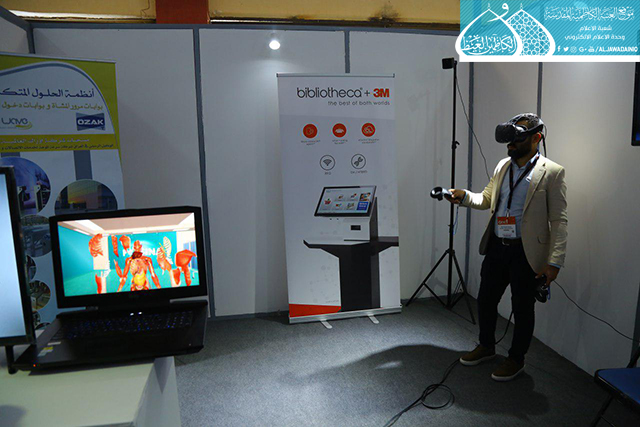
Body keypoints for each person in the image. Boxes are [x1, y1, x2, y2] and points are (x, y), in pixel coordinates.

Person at [445, 113, 567, 381]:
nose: (510, 145)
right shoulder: (503, 166)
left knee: (522, 308)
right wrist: (464, 196)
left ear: (536, 138)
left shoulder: (552, 172)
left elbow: (559, 220)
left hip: (526, 253)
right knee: (486, 299)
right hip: (497, 246)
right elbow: (486, 199)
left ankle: (516, 359)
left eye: (517, 139)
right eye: (508, 140)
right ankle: (486, 346)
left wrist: (554, 262)